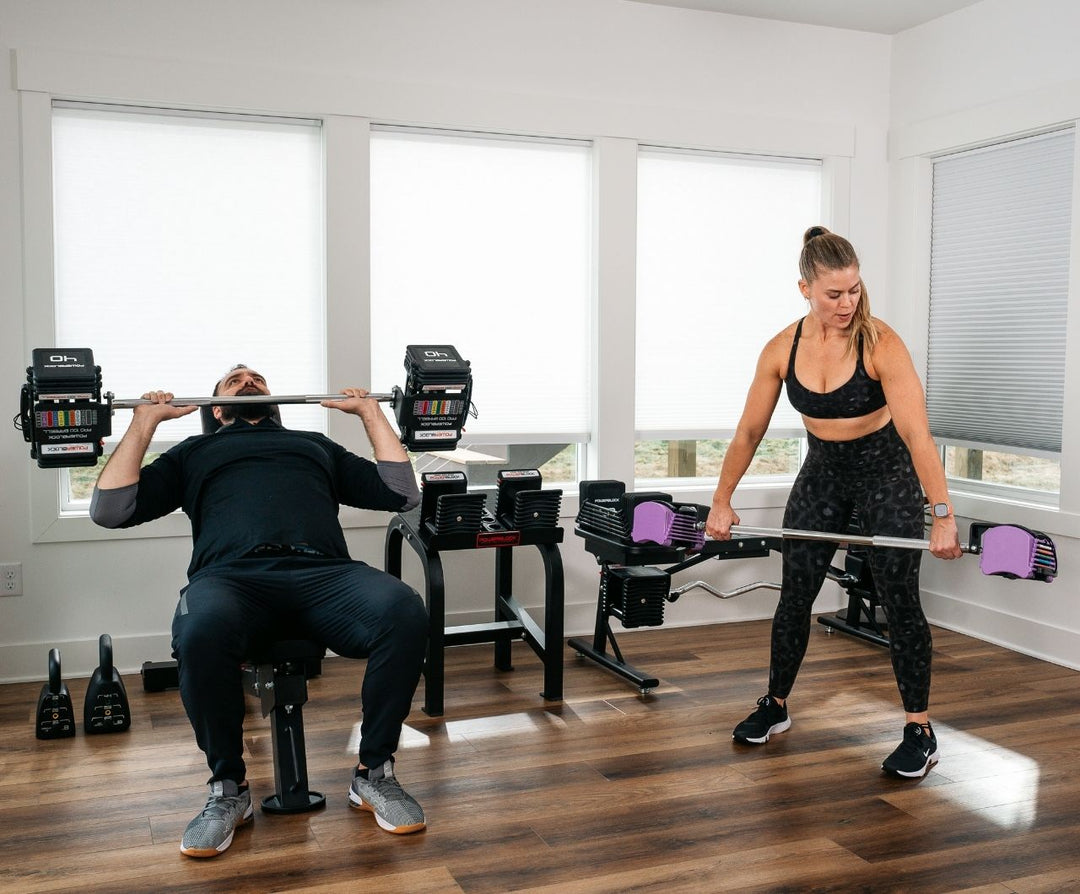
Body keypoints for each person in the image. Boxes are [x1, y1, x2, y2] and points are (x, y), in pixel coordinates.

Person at [90, 364, 429, 857]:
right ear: (218, 409)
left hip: (324, 573)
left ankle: (374, 772)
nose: (249, 380)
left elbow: (402, 493)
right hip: (231, 578)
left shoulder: (312, 445)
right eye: (235, 380)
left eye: (257, 378)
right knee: (199, 628)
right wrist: (145, 423)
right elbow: (110, 511)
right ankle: (228, 789)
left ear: (275, 400)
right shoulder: (194, 452)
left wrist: (370, 413)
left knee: (403, 609)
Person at [705, 226, 962, 779]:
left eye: (854, 291)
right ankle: (774, 706)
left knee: (900, 598)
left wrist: (941, 514)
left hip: (885, 473)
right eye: (834, 294)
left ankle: (920, 730)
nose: (848, 304)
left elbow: (918, 436)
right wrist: (721, 500)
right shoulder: (781, 348)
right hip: (822, 474)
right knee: (794, 595)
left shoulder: (881, 344)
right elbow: (749, 432)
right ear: (805, 288)